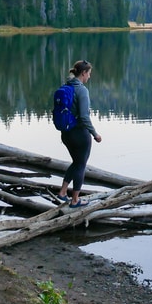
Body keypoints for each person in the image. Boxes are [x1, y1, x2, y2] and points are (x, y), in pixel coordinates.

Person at [56, 60, 102, 207]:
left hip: (66, 133)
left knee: (76, 162)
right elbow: (84, 116)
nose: (89, 77)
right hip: (79, 134)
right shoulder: (82, 90)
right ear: (83, 73)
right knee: (81, 165)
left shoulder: (66, 86)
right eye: (89, 74)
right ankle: (75, 200)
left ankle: (63, 192)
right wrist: (95, 134)